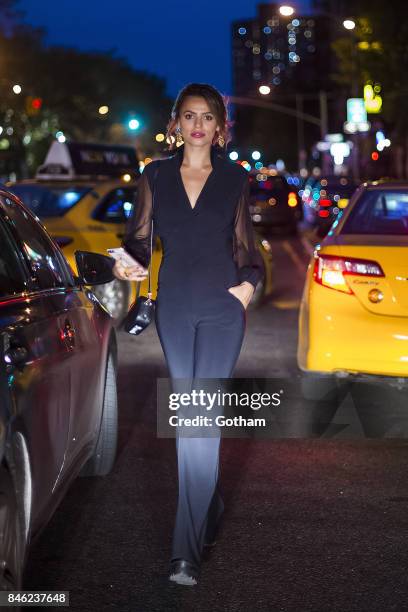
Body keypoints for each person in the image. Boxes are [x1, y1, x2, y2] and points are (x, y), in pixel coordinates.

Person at [112, 83, 264, 586]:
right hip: (174, 308)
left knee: (201, 418)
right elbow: (138, 237)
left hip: (223, 308)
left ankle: (185, 552)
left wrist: (248, 284)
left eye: (208, 117)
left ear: (221, 127)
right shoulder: (154, 174)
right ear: (176, 122)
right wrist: (126, 266)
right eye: (190, 116)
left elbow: (247, 246)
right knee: (191, 420)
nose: (198, 124)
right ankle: (209, 503)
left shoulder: (236, 177)